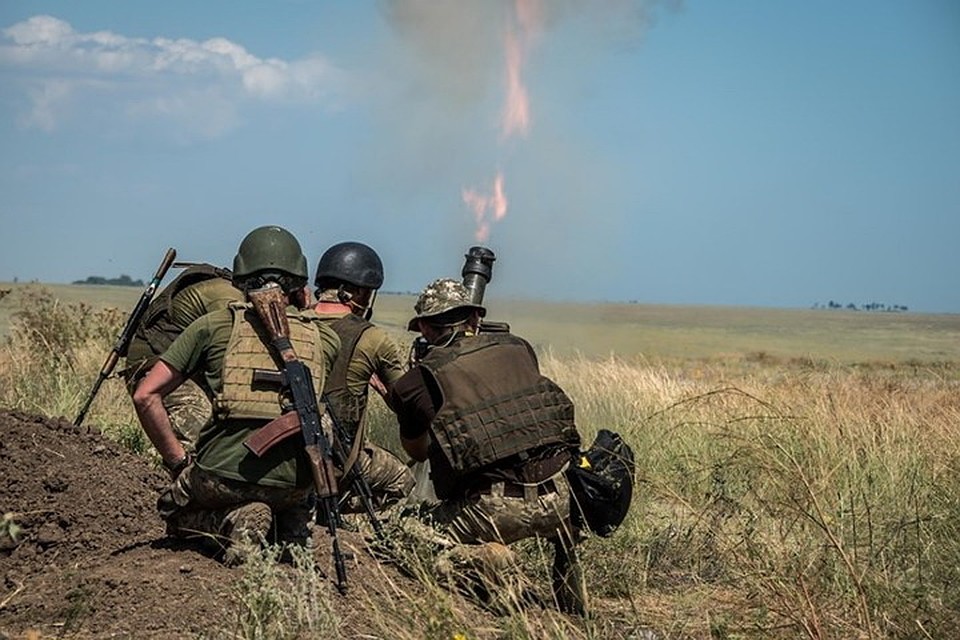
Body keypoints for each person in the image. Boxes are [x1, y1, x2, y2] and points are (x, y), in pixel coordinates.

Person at [133, 225, 340, 565]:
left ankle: (232, 524)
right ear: (299, 281)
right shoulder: (326, 339)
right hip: (297, 485)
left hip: (224, 477)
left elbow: (145, 395)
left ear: (241, 276)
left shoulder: (213, 326)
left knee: (171, 508)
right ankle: (289, 528)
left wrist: (178, 462)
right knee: (291, 494)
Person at [387, 278, 587, 614]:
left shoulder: (416, 381)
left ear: (423, 326)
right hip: (563, 499)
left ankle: (484, 557)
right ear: (475, 319)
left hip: (495, 511)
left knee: (404, 535)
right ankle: (575, 614)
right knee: (565, 541)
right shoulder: (519, 348)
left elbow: (418, 453)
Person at [312, 241, 414, 513]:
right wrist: (382, 390)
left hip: (284, 457)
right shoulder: (372, 338)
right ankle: (332, 510)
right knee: (402, 481)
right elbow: (405, 403)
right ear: (355, 292)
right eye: (367, 293)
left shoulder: (292, 323)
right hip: (335, 463)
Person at [122, 263, 242, 451]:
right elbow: (234, 356)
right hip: (155, 369)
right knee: (204, 440)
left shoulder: (232, 290)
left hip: (184, 369)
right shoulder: (228, 297)